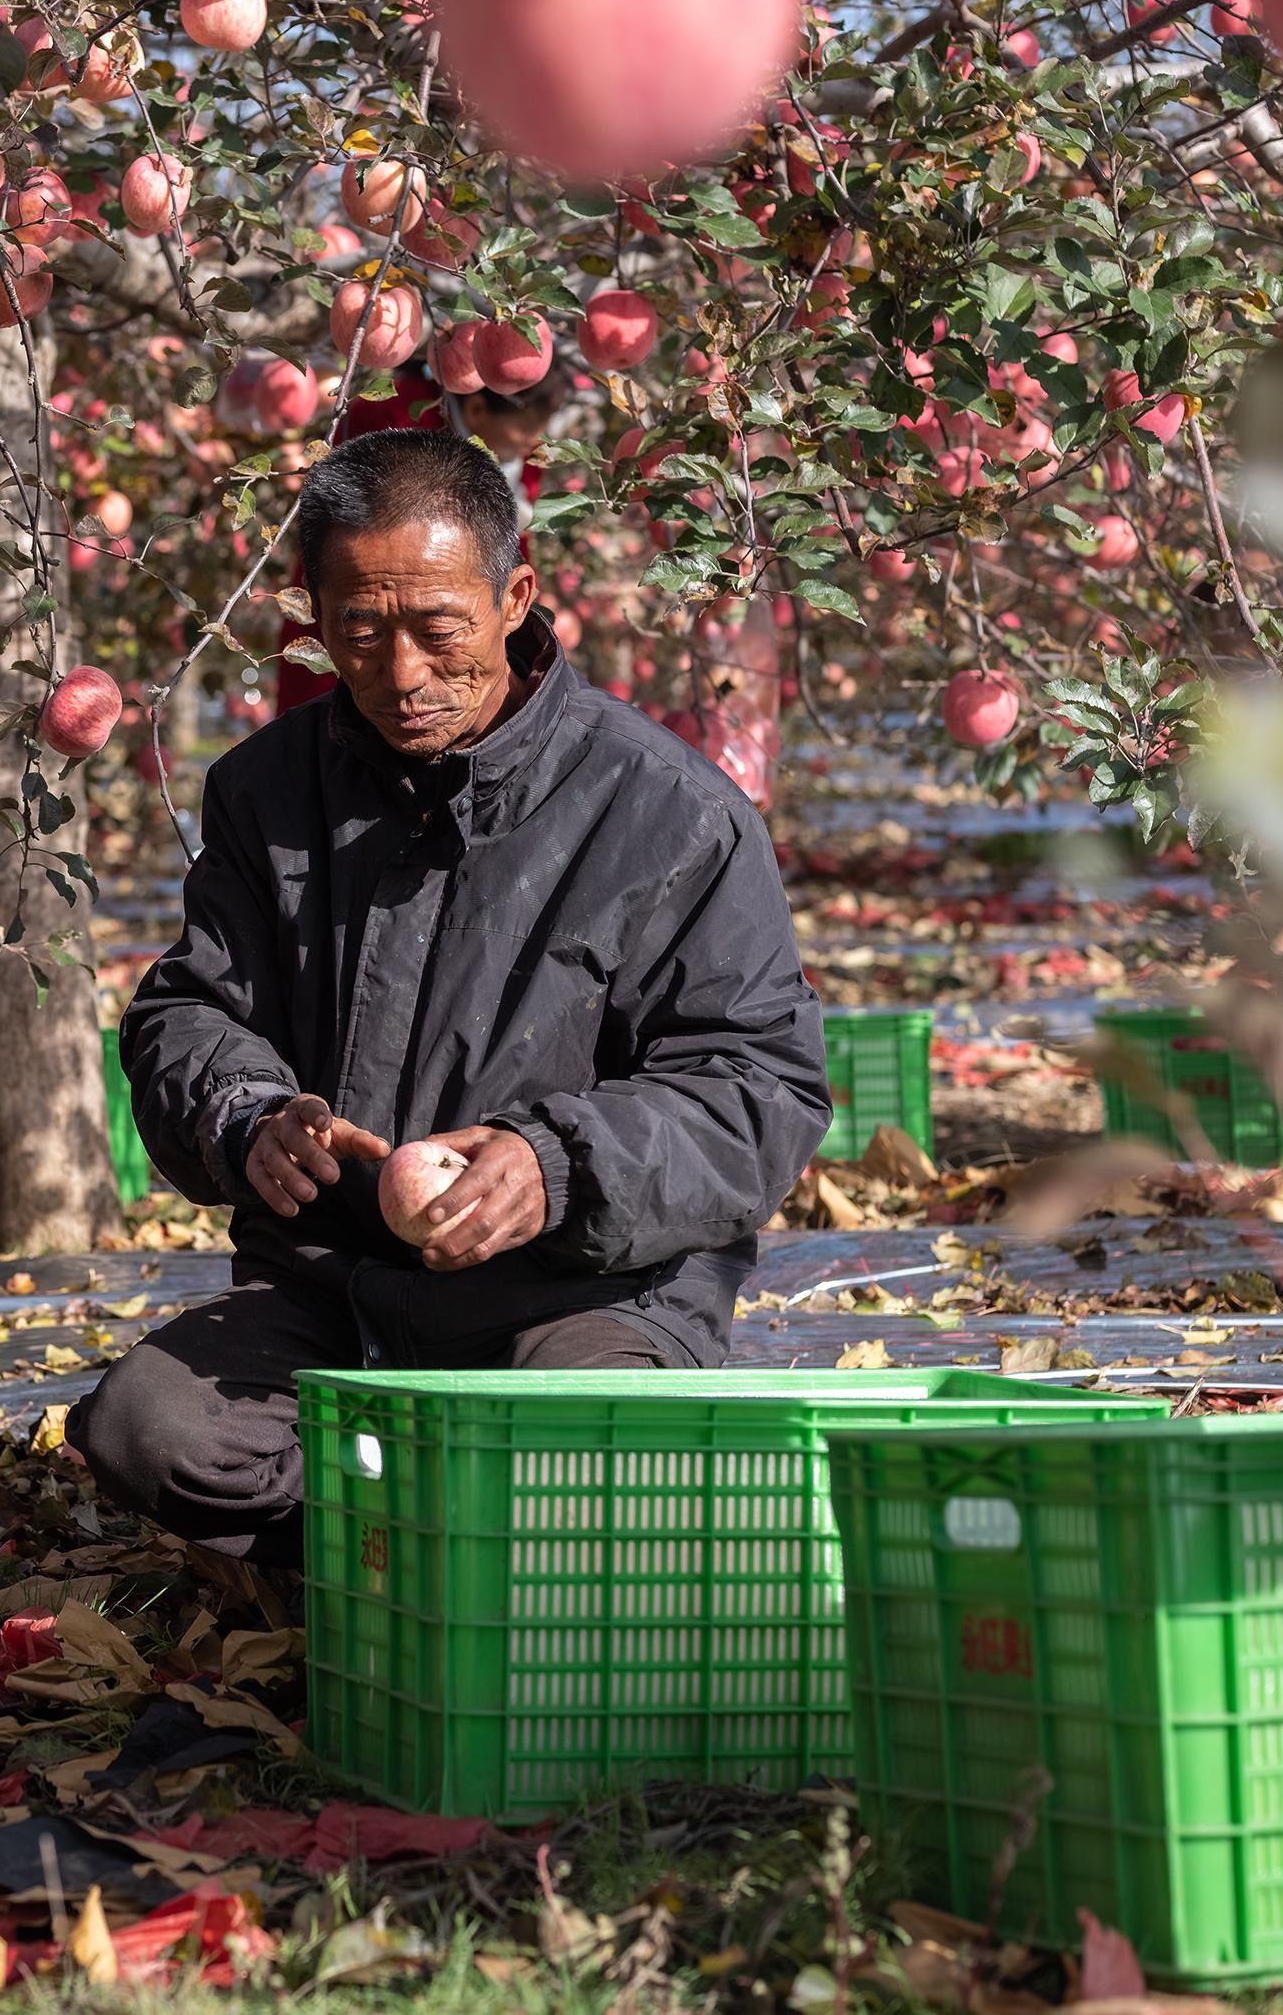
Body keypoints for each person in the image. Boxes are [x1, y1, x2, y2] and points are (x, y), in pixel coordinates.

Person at [72, 429, 832, 1565]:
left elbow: (758, 1089)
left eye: (438, 630)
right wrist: (244, 1117)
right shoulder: (263, 791)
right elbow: (191, 1011)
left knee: (582, 1445)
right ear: (312, 620)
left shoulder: (671, 812)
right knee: (151, 1428)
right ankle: (406, 1566)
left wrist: (556, 1167)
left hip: (587, 1296)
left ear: (514, 595)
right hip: (338, 1294)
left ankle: (429, 1553)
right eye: (361, 634)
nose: (402, 675)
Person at [275, 357, 563, 713]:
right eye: (525, 429)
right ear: (475, 409)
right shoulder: (395, 418)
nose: (532, 441)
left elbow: (508, 545)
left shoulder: (523, 460)